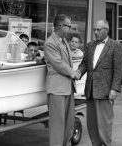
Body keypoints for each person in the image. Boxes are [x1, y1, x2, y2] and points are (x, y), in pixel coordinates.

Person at [77, 20, 122, 146]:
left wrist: (114, 89)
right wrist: (78, 73)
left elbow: (119, 70)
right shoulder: (90, 45)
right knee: (92, 124)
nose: (95, 32)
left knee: (104, 124)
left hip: (105, 92)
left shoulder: (115, 45)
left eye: (98, 30)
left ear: (106, 30)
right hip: (90, 90)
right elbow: (84, 64)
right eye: (94, 30)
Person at [44, 14, 78, 146]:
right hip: (57, 89)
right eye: (68, 25)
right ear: (59, 26)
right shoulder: (50, 42)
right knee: (57, 123)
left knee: (68, 122)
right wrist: (73, 73)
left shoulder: (64, 41)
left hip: (68, 87)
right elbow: (58, 63)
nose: (70, 28)